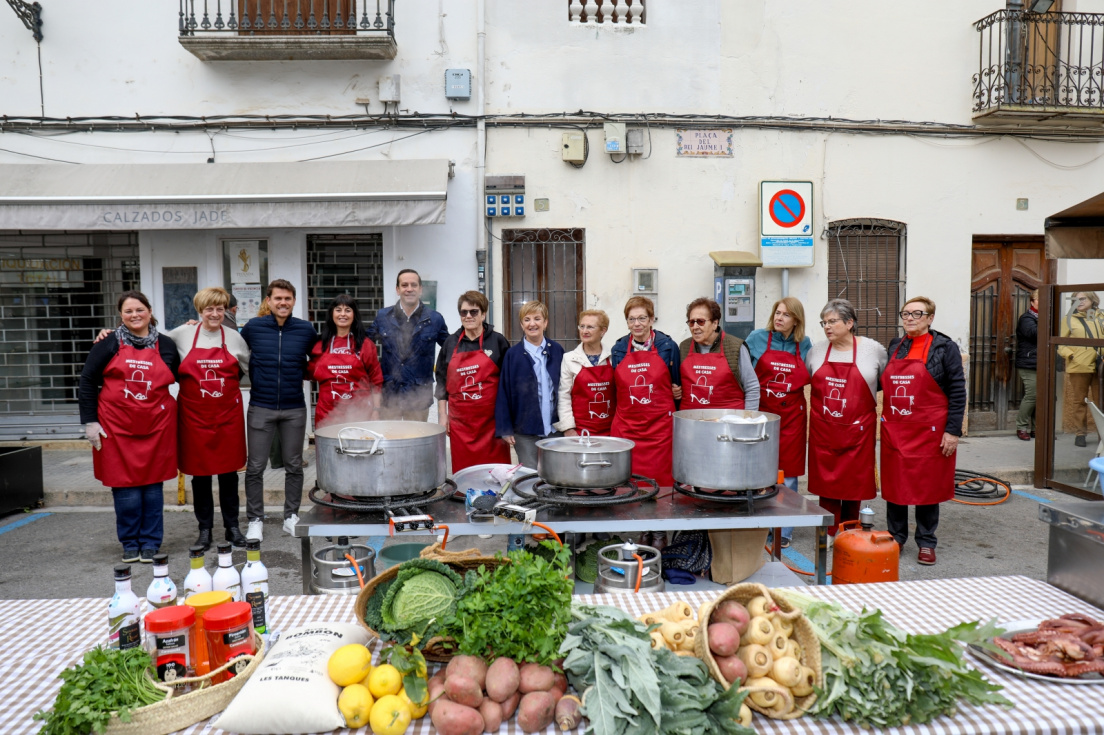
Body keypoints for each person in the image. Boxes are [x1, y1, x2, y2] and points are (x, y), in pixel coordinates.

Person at [79, 291, 180, 563]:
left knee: (151, 487)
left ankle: (150, 543)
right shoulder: (108, 342)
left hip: (156, 425)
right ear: (120, 315)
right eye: (128, 311)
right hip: (115, 426)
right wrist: (90, 421)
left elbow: (180, 375)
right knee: (125, 489)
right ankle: (130, 543)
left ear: (149, 311)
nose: (134, 315)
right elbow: (87, 381)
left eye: (139, 309)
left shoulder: (168, 345)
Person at [880, 296, 965, 566]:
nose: (910, 318)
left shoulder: (945, 347)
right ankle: (896, 536)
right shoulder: (896, 345)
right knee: (895, 487)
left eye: (917, 313)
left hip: (930, 431)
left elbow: (957, 392)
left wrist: (952, 432)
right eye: (905, 313)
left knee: (926, 488)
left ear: (930, 318)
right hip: (896, 429)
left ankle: (926, 541)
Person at [164, 287, 250, 552]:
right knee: (200, 477)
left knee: (229, 476)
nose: (215, 314)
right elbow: (146, 346)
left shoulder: (235, 338)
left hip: (227, 417)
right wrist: (109, 334)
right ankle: (204, 530)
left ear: (226, 310)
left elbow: (249, 371)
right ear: (199, 311)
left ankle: (232, 527)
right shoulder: (180, 335)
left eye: (220, 309)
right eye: (209, 309)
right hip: (193, 417)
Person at [241, 279, 319, 540]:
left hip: (294, 407)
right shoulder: (253, 328)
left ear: (294, 301)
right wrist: (193, 326)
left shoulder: (305, 330)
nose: (283, 303)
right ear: (268, 301)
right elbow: (230, 345)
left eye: (287, 298)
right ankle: (255, 520)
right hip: (261, 406)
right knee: (255, 467)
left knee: (294, 466)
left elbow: (321, 356)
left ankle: (291, 516)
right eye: (278, 298)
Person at [806, 299, 887, 538]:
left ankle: (850, 533)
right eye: (824, 322)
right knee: (826, 486)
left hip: (857, 432)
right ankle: (828, 533)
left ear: (850, 323)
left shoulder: (873, 350)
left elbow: (882, 380)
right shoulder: (817, 351)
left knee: (854, 484)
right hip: (825, 431)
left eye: (833, 321)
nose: (827, 327)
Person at [745, 296, 813, 548]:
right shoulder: (756, 339)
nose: (779, 318)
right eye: (777, 312)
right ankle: (759, 522)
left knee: (789, 474)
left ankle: (784, 529)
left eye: (785, 314)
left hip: (792, 418)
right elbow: (746, 376)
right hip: (762, 414)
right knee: (758, 471)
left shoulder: (805, 345)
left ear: (796, 320)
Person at [435, 290, 511, 472]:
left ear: (484, 314)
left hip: (491, 423)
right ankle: (465, 497)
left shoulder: (497, 341)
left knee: (495, 471)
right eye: (464, 312)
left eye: (474, 312)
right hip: (461, 424)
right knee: (465, 471)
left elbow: (508, 383)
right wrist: (443, 416)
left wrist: (507, 421)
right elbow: (441, 381)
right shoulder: (450, 343)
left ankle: (497, 497)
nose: (468, 316)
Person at [610, 296, 681, 487]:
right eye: (631, 319)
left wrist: (677, 392)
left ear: (651, 319)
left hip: (660, 431)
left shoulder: (668, 346)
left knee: (661, 487)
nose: (637, 324)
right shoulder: (618, 349)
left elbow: (676, 383)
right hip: (627, 429)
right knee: (627, 486)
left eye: (642, 318)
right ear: (627, 322)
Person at [368, 269, 450, 421]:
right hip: (389, 396)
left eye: (414, 285)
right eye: (404, 285)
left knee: (416, 441)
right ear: (397, 290)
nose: (409, 289)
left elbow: (450, 350)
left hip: (418, 397)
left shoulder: (435, 319)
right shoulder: (382, 317)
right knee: (390, 441)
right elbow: (365, 346)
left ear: (420, 289)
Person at [495, 300, 565, 469]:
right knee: (529, 476)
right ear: (521, 324)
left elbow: (566, 389)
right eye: (527, 319)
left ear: (545, 322)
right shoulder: (513, 355)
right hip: (525, 429)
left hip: (555, 428)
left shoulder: (557, 350)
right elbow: (503, 392)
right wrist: (505, 428)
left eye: (537, 319)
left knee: (555, 473)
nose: (532, 323)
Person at [309, 294, 384, 428]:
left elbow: (376, 381)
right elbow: (308, 372)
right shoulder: (320, 344)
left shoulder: (365, 345)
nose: (343, 314)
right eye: (338, 310)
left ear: (354, 315)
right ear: (332, 314)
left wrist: (376, 410)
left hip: (359, 413)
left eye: (348, 310)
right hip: (327, 414)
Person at [678, 297, 760, 411]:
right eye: (692, 322)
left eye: (701, 322)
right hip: (691, 424)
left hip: (729, 424)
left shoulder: (735, 348)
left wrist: (748, 420)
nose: (695, 327)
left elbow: (752, 388)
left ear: (715, 323)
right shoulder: (684, 347)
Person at [555, 309, 615, 438]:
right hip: (580, 432)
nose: (584, 331)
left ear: (603, 331)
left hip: (611, 430)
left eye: (590, 327)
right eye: (582, 326)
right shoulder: (569, 358)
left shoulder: (613, 357)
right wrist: (568, 428)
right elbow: (564, 395)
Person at [1058, 291, 1104, 447]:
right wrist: (1070, 355)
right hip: (1079, 366)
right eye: (1076, 300)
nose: (1079, 302)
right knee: (1079, 401)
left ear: (1092, 299)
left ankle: (1101, 435)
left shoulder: (1100, 317)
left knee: (1101, 401)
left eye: (1083, 298)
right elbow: (1060, 344)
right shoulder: (1069, 319)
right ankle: (1080, 433)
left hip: (1099, 366)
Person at [1015, 290, 1039, 441]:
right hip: (1028, 363)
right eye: (1039, 300)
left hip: (1042, 362)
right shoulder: (1027, 318)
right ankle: (1021, 426)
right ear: (1032, 302)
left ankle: (1038, 429)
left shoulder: (1044, 317)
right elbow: (1035, 333)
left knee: (1042, 397)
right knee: (1032, 395)